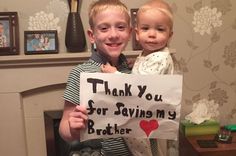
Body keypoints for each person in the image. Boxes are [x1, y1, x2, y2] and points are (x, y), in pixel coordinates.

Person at [101, 0, 178, 155]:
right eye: (145, 28)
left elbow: (139, 86)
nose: (151, 34)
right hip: (143, 111)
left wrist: (114, 74)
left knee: (141, 148)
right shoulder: (148, 54)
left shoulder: (160, 58)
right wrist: (135, 63)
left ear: (170, 35)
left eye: (160, 29)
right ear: (136, 33)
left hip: (147, 113)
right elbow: (145, 71)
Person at [59, 0, 133, 155]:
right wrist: (72, 127)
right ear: (92, 36)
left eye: (120, 27)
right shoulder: (79, 73)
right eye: (104, 28)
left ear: (129, 33)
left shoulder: (136, 71)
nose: (113, 35)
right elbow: (64, 130)